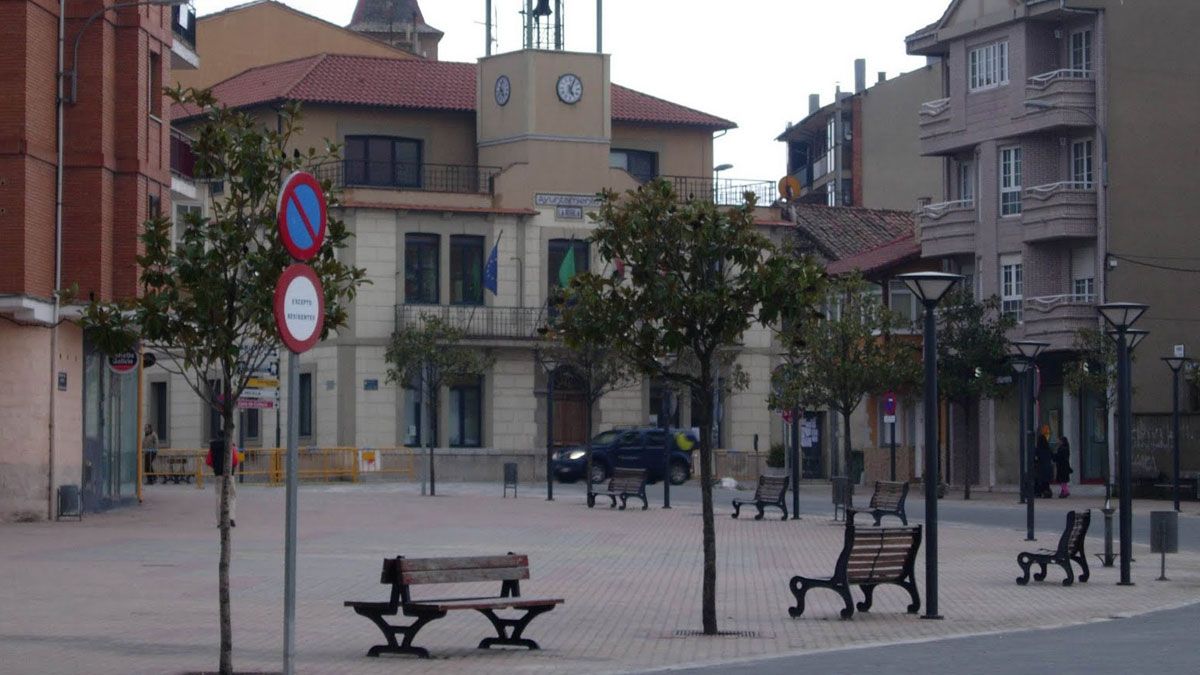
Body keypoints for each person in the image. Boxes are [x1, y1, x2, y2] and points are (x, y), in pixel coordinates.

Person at [206, 436, 239, 528]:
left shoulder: (213, 446)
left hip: (218, 475)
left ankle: (220, 521)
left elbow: (208, 461)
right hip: (229, 475)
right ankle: (231, 517)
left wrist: (216, 467)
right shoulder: (231, 445)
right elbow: (235, 460)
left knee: (218, 496)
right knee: (232, 495)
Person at [1034, 425, 1054, 499]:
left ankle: (1039, 493)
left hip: (1040, 468)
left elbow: (1035, 458)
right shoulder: (1048, 449)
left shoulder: (1038, 449)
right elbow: (1053, 456)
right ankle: (1046, 492)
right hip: (1048, 468)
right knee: (1046, 483)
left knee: (1039, 481)